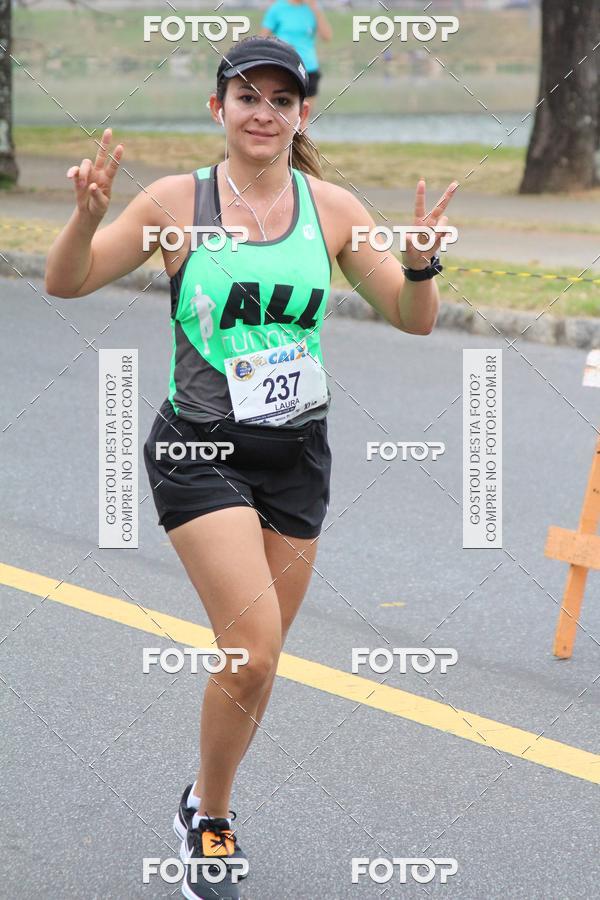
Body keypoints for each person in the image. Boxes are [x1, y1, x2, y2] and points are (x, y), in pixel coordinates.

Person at [44, 34, 457, 899]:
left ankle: (204, 800)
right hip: (201, 449)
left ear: (301, 113)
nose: (264, 113)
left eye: (282, 99)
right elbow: (66, 283)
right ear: (218, 109)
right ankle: (215, 827)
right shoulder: (174, 201)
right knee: (256, 648)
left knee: (255, 662)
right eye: (248, 97)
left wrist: (421, 267)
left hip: (298, 455)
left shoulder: (333, 208)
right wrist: (86, 215)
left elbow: (413, 318)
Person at [260, 0, 332, 110]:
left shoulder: (313, 9)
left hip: (309, 68)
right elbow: (262, 39)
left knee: (304, 117)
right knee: (282, 113)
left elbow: (327, 36)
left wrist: (315, 8)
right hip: (284, 67)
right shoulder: (277, 8)